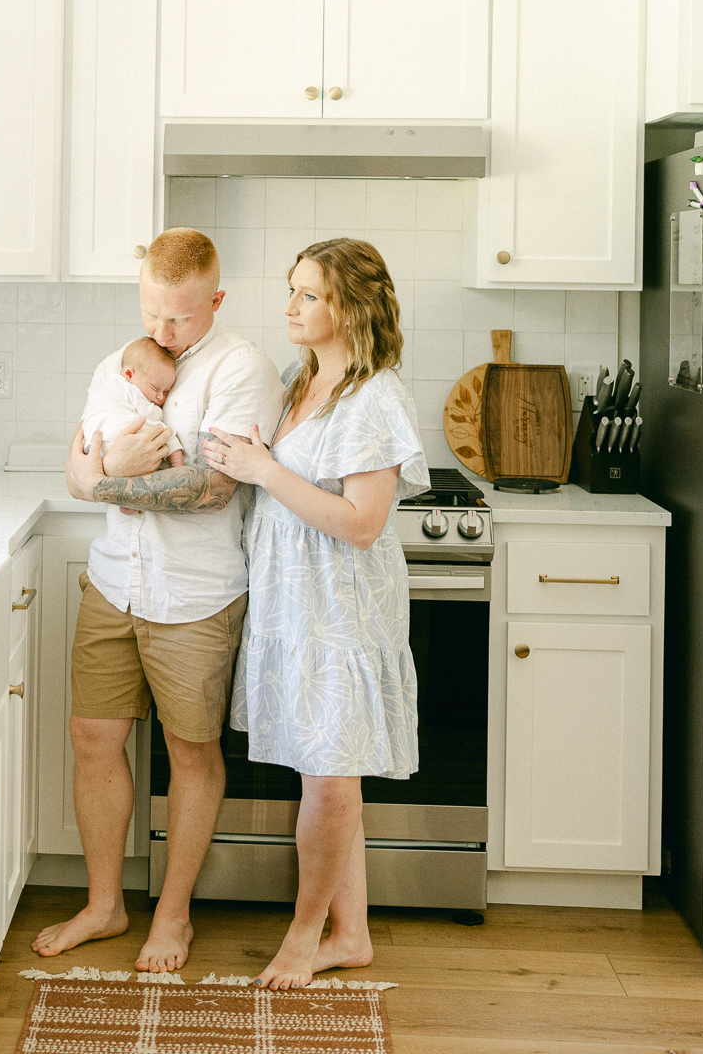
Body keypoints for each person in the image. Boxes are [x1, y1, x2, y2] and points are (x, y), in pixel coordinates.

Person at [33, 227, 285, 972]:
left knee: (190, 752)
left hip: (195, 594)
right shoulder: (121, 363)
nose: (161, 331)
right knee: (91, 739)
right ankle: (105, 905)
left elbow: (211, 489)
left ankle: (172, 917)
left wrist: (109, 478)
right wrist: (103, 474)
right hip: (114, 578)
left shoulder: (242, 369)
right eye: (151, 312)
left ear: (215, 299)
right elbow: (72, 466)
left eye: (178, 317)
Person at [205, 238, 428, 990]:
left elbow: (362, 522)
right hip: (292, 605)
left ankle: (303, 937)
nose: (289, 306)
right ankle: (351, 934)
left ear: (349, 307)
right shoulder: (307, 380)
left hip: (338, 611)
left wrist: (263, 469)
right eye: (291, 290)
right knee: (327, 775)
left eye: (307, 295)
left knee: (330, 780)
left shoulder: (376, 397)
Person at [81, 336, 184, 468]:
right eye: (155, 388)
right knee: (165, 432)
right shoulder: (130, 389)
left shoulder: (107, 385)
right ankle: (177, 464)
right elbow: (150, 415)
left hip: (93, 444)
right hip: (115, 432)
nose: (159, 397)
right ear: (129, 375)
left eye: (165, 392)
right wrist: (159, 411)